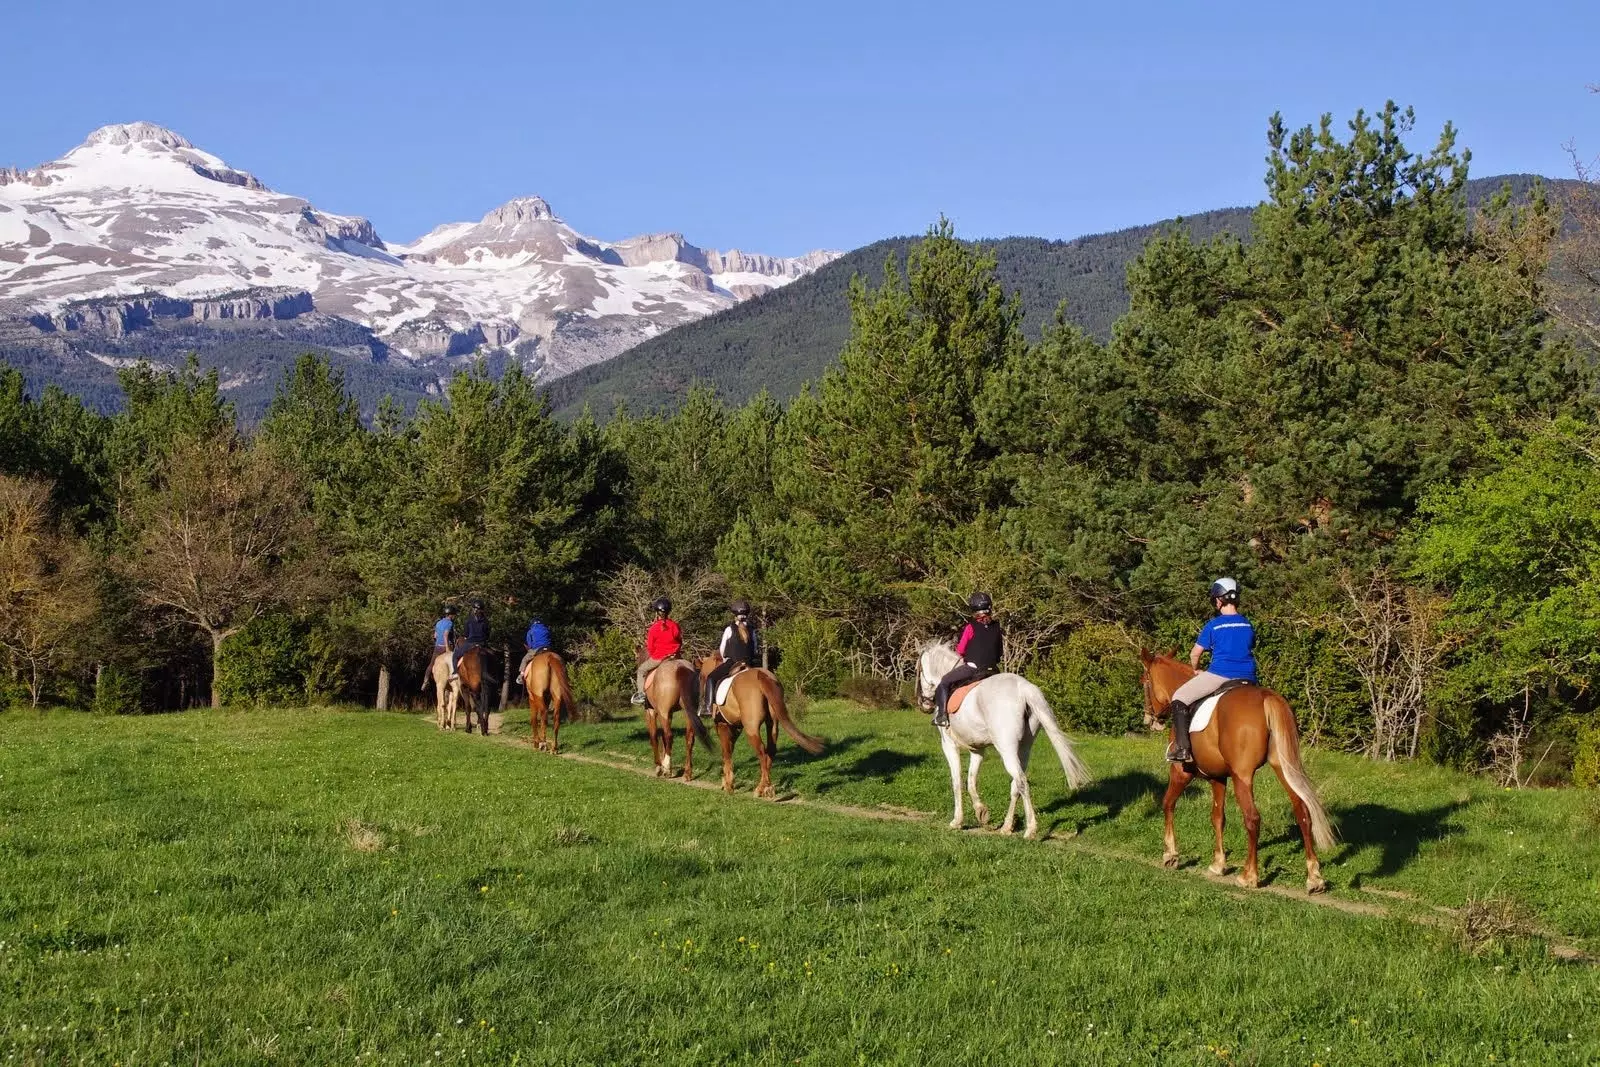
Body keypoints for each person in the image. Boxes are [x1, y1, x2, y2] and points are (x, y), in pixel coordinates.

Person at [1163, 577, 1257, 763]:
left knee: (1179, 698)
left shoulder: (1213, 625)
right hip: (1249, 677)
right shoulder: (1247, 624)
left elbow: (1194, 654)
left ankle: (1182, 749)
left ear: (1219, 600)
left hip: (1220, 674)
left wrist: (1197, 669)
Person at [933, 593, 1003, 728]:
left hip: (973, 669)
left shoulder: (970, 627)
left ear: (973, 609)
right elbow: (999, 652)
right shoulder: (997, 626)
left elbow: (960, 650)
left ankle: (941, 716)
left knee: (944, 682)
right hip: (993, 670)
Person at [702, 600, 760, 717]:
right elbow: (755, 650)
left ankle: (708, 707)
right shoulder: (752, 630)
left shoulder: (729, 629)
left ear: (734, 615)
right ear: (747, 615)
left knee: (711, 678)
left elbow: (722, 649)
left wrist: (725, 660)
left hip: (733, 662)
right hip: (749, 663)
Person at [632, 597, 681, 705]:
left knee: (641, 670)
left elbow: (650, 647)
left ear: (657, 613)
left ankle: (641, 695)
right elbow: (679, 641)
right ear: (669, 612)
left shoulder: (653, 628)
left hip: (660, 657)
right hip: (675, 656)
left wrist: (655, 655)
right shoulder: (675, 626)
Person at [451, 598, 491, 678]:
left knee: (455, 655)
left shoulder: (469, 620)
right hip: (482, 644)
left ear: (474, 609)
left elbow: (466, 633)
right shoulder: (486, 621)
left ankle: (455, 672)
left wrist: (466, 637)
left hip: (470, 643)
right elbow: (487, 634)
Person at [421, 604, 456, 691]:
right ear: (450, 614)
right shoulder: (449, 623)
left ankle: (426, 680)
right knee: (456, 661)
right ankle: (453, 676)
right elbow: (445, 635)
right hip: (446, 646)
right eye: (454, 614)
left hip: (437, 647)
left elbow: (435, 635)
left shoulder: (438, 623)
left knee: (431, 664)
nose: (454, 616)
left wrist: (438, 644)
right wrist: (447, 649)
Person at [515, 616, 554, 686]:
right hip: (548, 648)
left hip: (537, 649)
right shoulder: (546, 629)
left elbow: (529, 644)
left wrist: (531, 648)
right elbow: (550, 638)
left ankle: (521, 677)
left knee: (524, 659)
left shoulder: (531, 631)